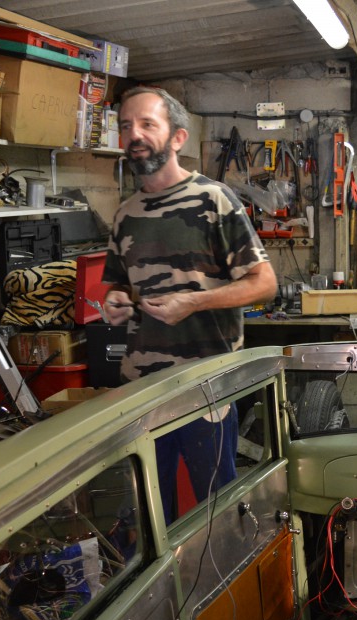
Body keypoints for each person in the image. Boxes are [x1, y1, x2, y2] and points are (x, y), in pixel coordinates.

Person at [102, 86, 277, 522]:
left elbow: (264, 283)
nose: (134, 135)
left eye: (147, 124)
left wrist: (195, 303)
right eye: (126, 126)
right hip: (140, 394)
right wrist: (116, 303)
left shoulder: (213, 200)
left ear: (177, 138)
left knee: (216, 518)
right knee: (146, 521)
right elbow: (117, 289)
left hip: (205, 390)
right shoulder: (125, 215)